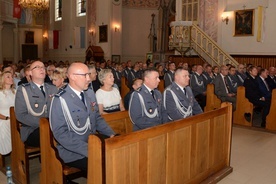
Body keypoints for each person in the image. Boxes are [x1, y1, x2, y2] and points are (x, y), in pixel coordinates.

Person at [50, 62, 115, 172]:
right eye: (85, 75)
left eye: (89, 75)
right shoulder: (60, 99)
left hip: (92, 142)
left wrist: (111, 134)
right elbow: (61, 133)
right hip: (73, 151)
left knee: (118, 153)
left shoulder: (89, 93)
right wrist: (88, 149)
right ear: (72, 77)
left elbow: (97, 118)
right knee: (106, 165)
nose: (89, 79)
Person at [15, 60, 58, 147]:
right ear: (30, 72)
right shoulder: (23, 90)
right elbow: (21, 115)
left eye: (43, 67)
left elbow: (58, 110)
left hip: (52, 126)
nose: (41, 69)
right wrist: (44, 123)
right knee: (50, 135)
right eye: (37, 67)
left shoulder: (53, 89)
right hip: (32, 129)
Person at [0, 71, 15, 155]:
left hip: (14, 119)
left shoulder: (15, 92)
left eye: (11, 76)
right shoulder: (0, 93)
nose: (11, 78)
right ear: (3, 79)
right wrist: (6, 118)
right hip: (3, 119)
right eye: (8, 77)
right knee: (7, 125)